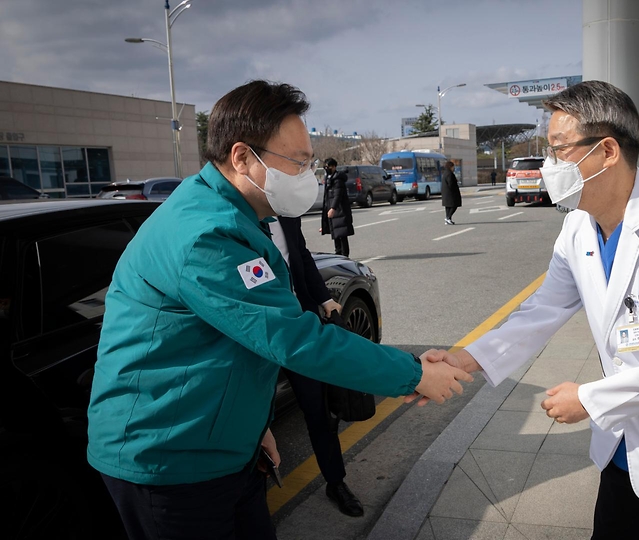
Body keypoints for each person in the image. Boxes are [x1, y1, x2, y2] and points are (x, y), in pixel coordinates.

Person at [86, 80, 471, 540]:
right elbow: (291, 337)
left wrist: (252, 429)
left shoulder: (239, 215)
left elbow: (240, 343)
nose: (306, 174)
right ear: (242, 157)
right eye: (297, 162)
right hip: (170, 459)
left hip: (223, 447)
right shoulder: (206, 235)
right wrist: (412, 373)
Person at [419, 80, 639, 540]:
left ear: (606, 151)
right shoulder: (579, 229)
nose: (549, 165)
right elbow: (542, 309)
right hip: (626, 440)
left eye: (559, 149)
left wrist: (588, 399)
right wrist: (466, 359)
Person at [269, 216, 364, 517]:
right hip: (255, 334)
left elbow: (301, 255)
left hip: (301, 330)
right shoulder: (232, 216)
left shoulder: (285, 212)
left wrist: (324, 299)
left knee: (319, 412)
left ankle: (335, 482)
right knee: (252, 421)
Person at [320, 158, 353, 257]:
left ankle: (344, 254)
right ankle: (338, 253)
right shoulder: (329, 178)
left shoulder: (338, 180)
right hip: (332, 209)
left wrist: (333, 208)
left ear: (334, 167)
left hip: (340, 210)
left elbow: (337, 196)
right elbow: (327, 196)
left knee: (342, 234)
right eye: (325, 166)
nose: (326, 168)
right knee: (335, 233)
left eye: (328, 166)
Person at [441, 160, 461, 225]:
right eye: (453, 167)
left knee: (448, 206)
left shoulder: (445, 173)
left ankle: (448, 219)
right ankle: (448, 218)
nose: (454, 168)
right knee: (454, 205)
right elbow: (451, 183)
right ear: (450, 167)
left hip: (445, 193)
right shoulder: (450, 174)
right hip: (450, 193)